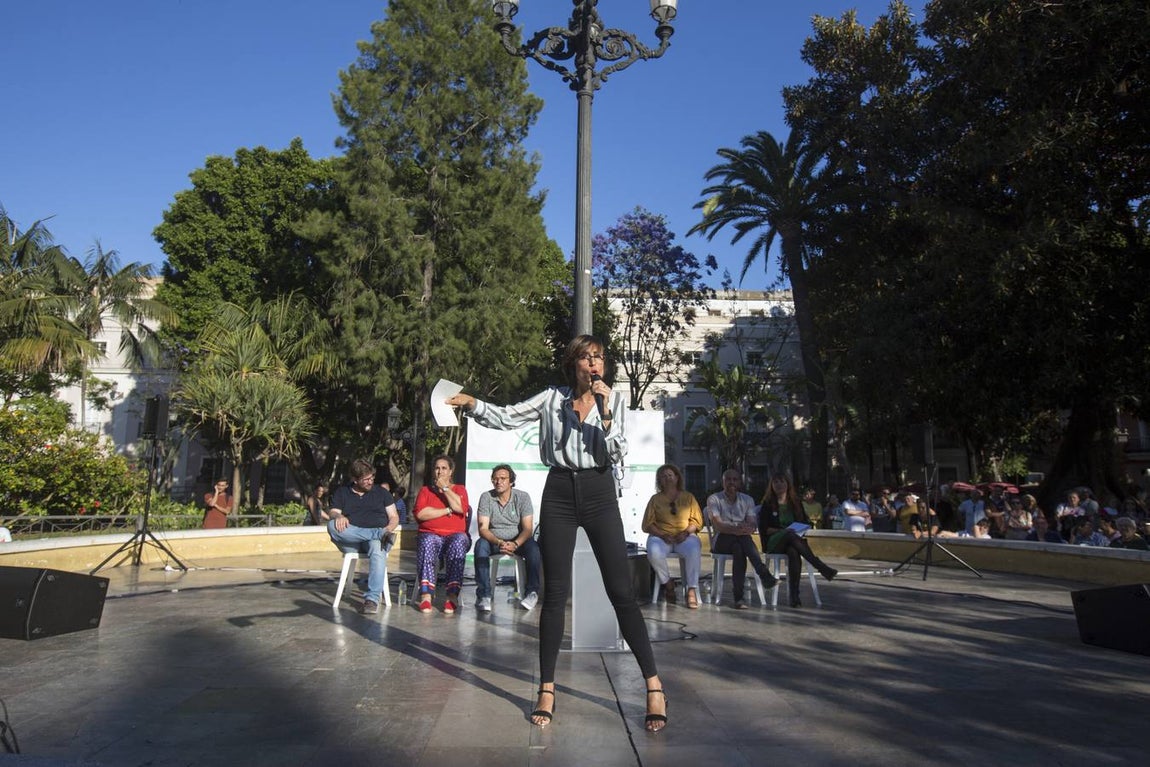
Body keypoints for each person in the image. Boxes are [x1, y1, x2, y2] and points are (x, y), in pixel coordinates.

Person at [446, 335, 668, 732]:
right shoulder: (552, 399)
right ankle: (547, 688)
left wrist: (605, 415)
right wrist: (472, 404)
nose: (594, 364)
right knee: (555, 594)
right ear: (574, 365)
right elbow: (509, 416)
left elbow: (618, 452)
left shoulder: (613, 401)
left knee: (620, 591)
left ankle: (653, 685)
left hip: (600, 492)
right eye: (587, 357)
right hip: (560, 492)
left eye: (599, 357)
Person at [327, 458, 400, 614]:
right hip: (351, 540)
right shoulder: (342, 492)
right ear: (354, 479)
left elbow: (394, 516)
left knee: (377, 547)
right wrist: (338, 517)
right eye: (366, 479)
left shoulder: (382, 493)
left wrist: (388, 528)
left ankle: (372, 599)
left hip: (375, 540)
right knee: (331, 525)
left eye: (372, 477)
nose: (370, 481)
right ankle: (379, 533)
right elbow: (333, 512)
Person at [758, 472, 837, 608]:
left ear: (788, 484)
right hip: (774, 541)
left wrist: (799, 529)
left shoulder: (795, 503)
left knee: (794, 552)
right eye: (775, 482)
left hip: (793, 541)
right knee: (790, 535)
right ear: (771, 485)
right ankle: (820, 566)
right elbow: (765, 529)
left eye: (782, 481)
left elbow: (804, 522)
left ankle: (794, 596)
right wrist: (783, 531)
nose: (779, 485)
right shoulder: (767, 504)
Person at [706, 469, 779, 610]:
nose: (731, 482)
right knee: (742, 540)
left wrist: (748, 528)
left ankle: (739, 598)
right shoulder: (714, 499)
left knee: (739, 549)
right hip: (721, 540)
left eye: (735, 479)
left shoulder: (747, 500)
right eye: (728, 479)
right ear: (723, 482)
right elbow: (719, 525)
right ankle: (763, 573)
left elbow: (752, 523)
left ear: (740, 482)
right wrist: (738, 530)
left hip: (739, 540)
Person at [473, 463, 542, 612]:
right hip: (494, 540)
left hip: (518, 541)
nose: (499, 482)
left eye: (503, 478)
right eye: (495, 479)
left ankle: (532, 592)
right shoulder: (486, 497)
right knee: (480, 546)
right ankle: (484, 594)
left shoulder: (522, 497)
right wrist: (499, 542)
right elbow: (483, 529)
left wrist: (515, 544)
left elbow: (528, 529)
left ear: (511, 481)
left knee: (534, 549)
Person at [413, 454, 470, 615]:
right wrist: (446, 510)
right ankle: (426, 596)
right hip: (430, 534)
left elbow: (460, 508)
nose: (440, 472)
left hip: (455, 535)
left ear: (450, 472)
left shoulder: (460, 490)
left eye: (444, 468)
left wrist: (445, 489)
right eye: (437, 468)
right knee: (428, 542)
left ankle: (452, 595)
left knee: (459, 541)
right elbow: (421, 515)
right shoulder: (425, 491)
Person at [642, 464, 704, 609]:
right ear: (659, 481)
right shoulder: (655, 499)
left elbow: (696, 521)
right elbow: (648, 523)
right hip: (662, 536)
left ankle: (691, 590)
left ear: (677, 478)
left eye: (670, 475)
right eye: (663, 476)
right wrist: (662, 535)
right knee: (653, 551)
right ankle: (668, 584)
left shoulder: (688, 497)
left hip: (684, 536)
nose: (667, 478)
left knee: (694, 549)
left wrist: (686, 533)